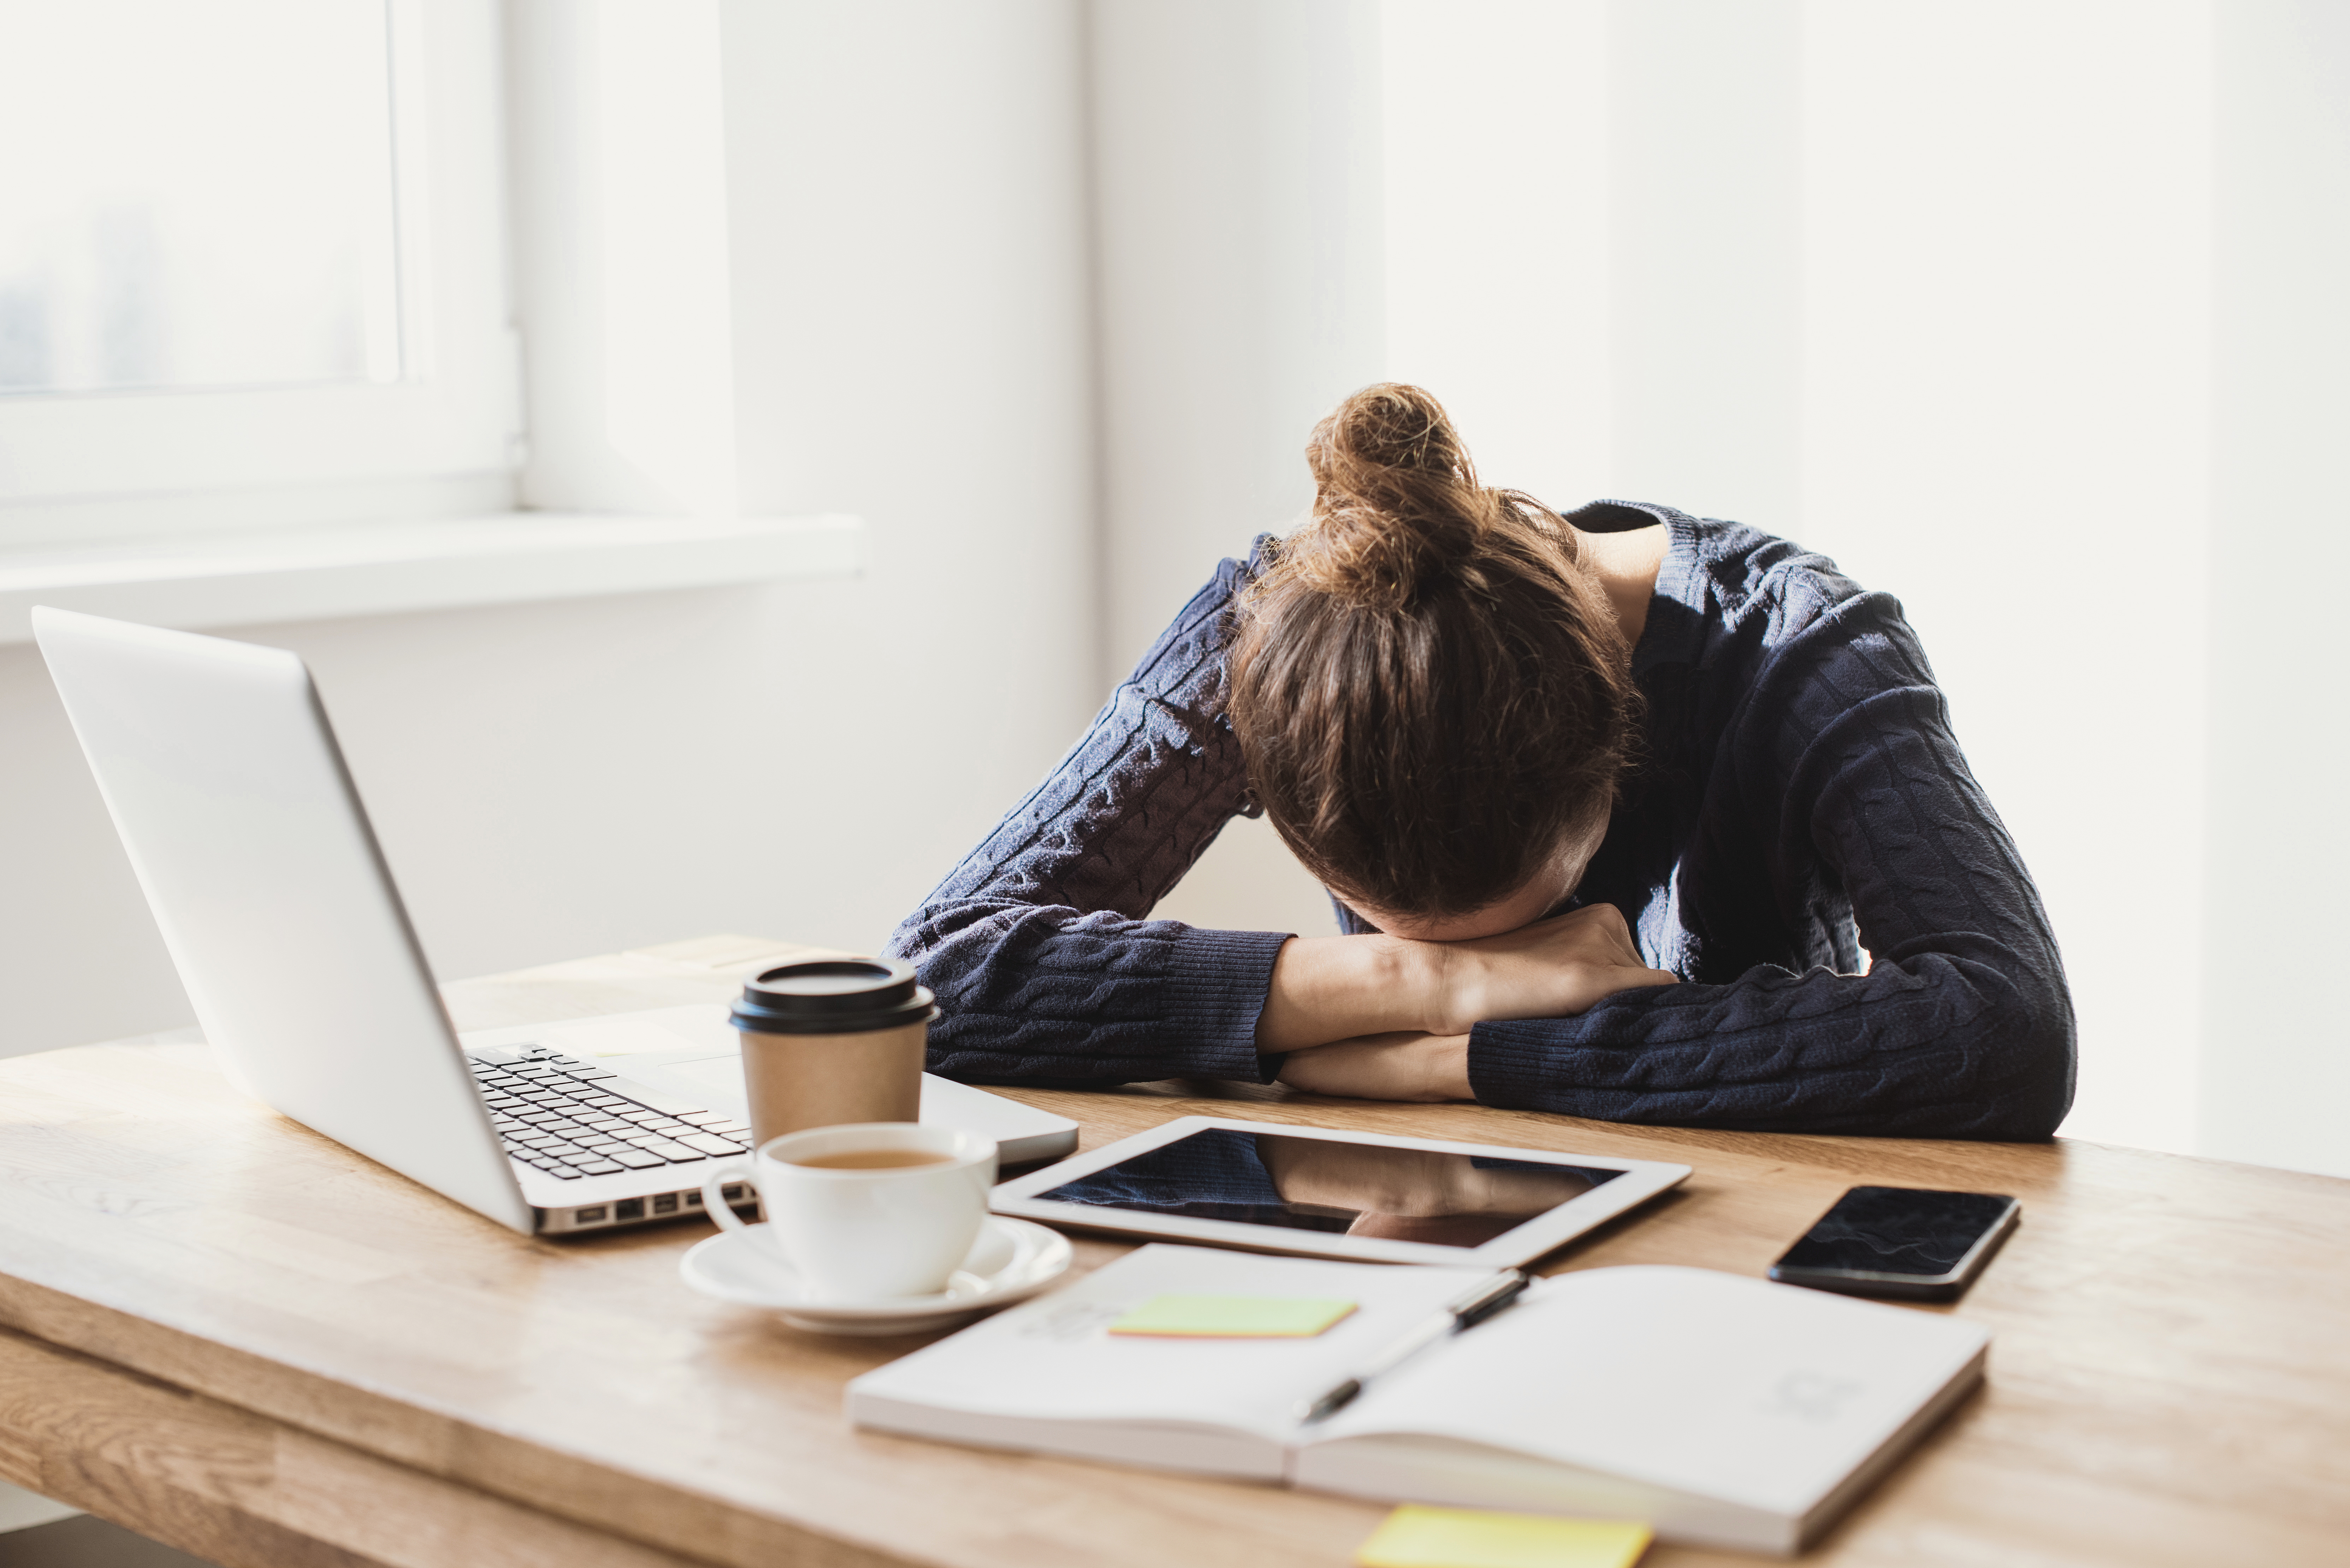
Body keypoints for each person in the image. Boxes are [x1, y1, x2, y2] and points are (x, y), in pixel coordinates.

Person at [885, 384, 2074, 1139]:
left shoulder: (1801, 646)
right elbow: (932, 975)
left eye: (1513, 934)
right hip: (1423, 1212)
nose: (1477, 963)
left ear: (1621, 741)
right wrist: (1427, 991)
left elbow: (2006, 1027)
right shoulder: (1275, 629)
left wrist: (1476, 1061)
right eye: (1398, 931)